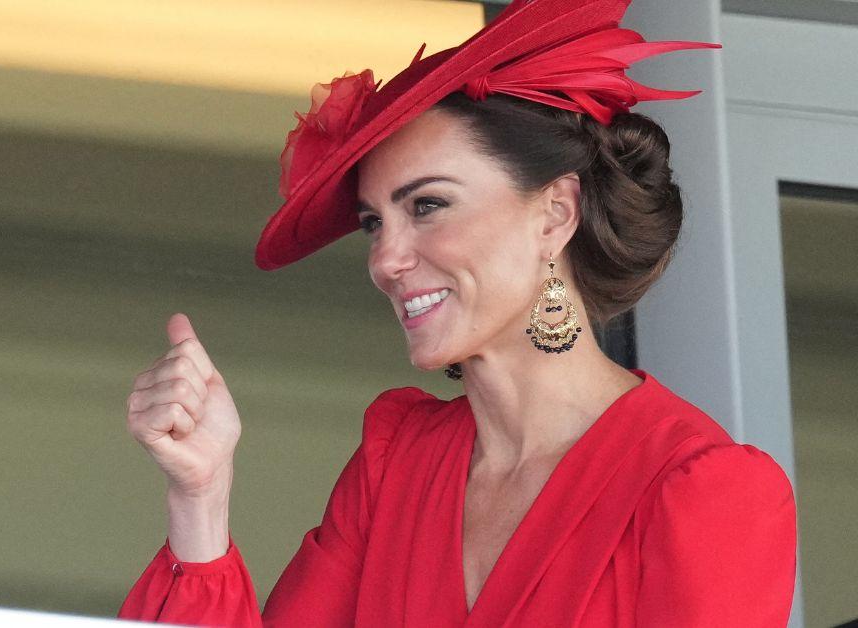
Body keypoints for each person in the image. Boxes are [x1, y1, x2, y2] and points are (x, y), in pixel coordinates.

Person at [119, 0, 797, 625]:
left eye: (426, 206)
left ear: (555, 213)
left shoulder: (707, 494)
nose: (385, 259)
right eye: (372, 224)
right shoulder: (396, 466)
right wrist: (200, 495)